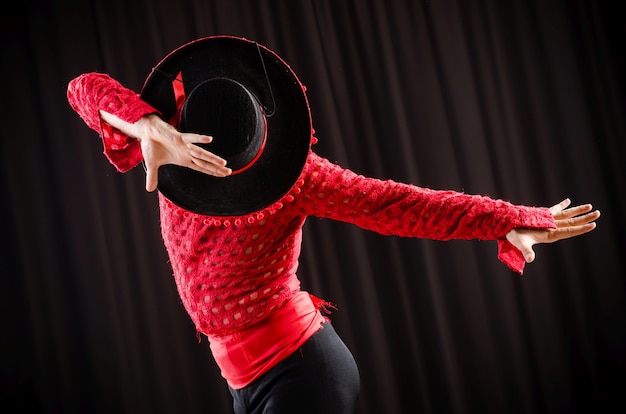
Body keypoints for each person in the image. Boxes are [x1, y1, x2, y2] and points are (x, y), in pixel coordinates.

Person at [67, 36, 599, 414]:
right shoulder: (161, 142)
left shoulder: (295, 177)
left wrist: (507, 221)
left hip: (303, 374)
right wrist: (145, 124)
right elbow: (82, 86)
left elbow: (399, 204)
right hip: (242, 384)